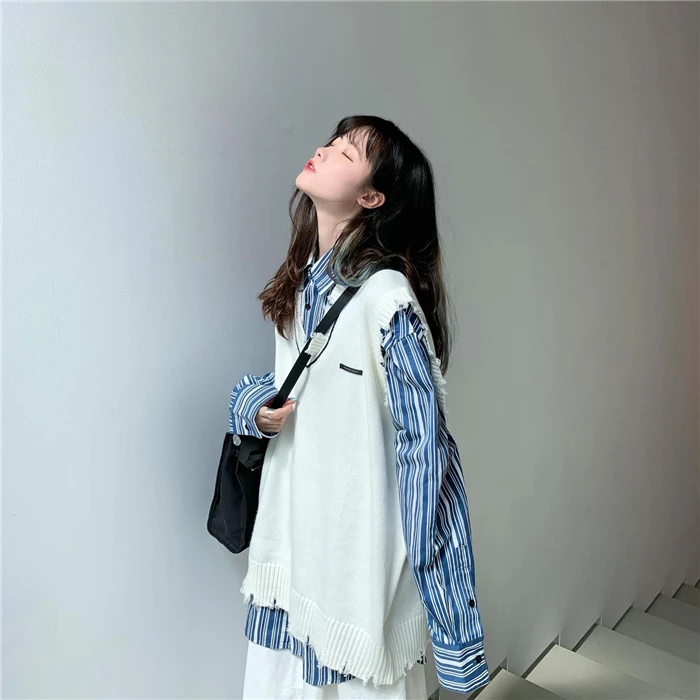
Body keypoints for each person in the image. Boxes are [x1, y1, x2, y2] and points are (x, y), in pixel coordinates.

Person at [229, 116, 491, 699]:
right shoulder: (303, 282)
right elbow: (299, 388)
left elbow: (428, 462)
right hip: (291, 557)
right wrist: (254, 409)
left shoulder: (387, 301)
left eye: (346, 153)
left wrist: (455, 636)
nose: (323, 151)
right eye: (331, 142)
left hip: (354, 578)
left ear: (371, 197)